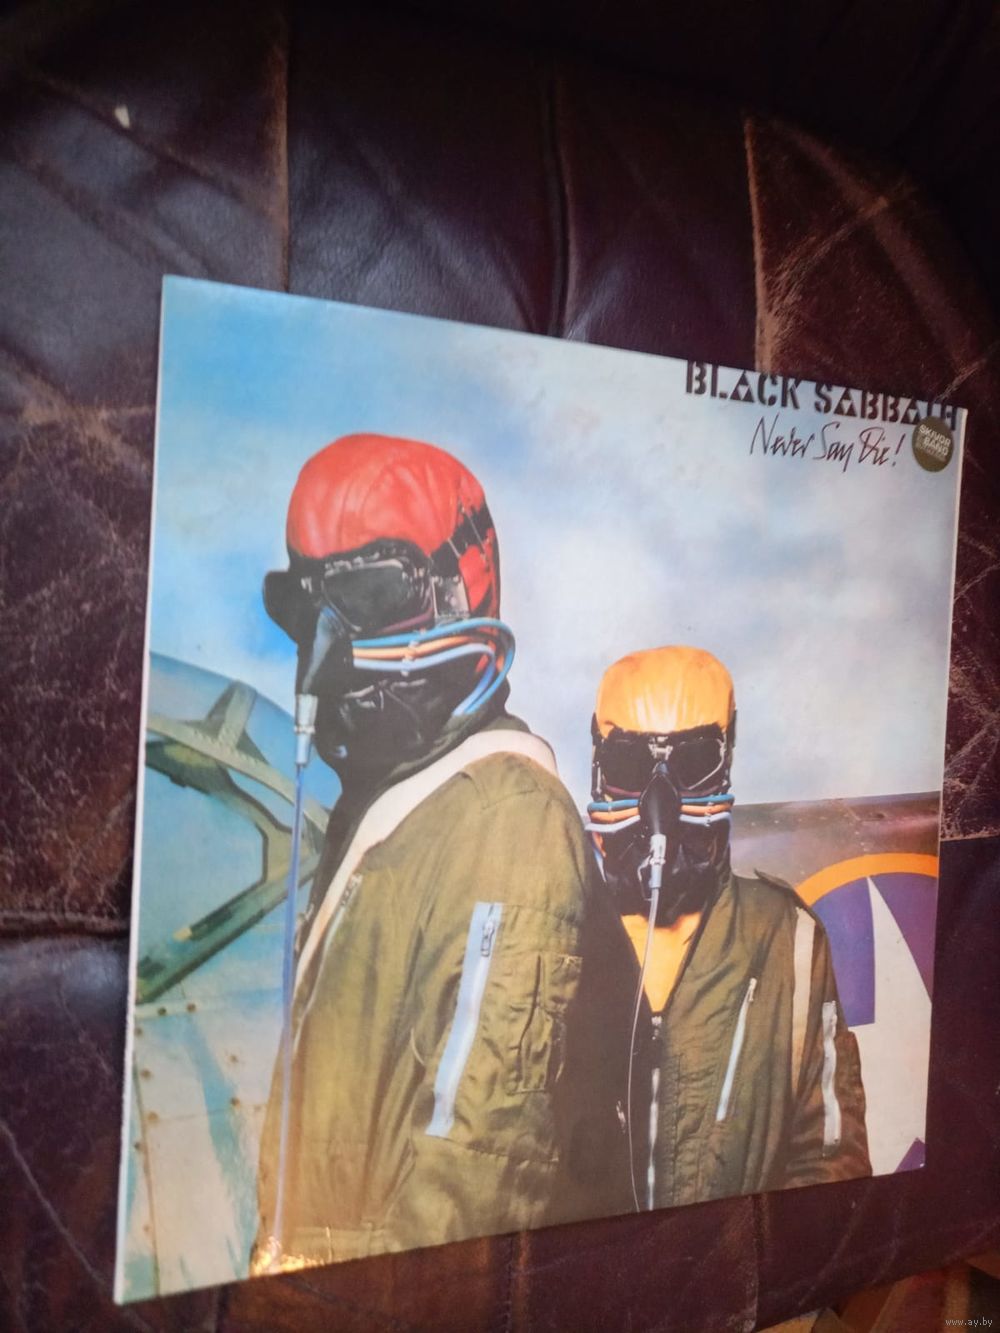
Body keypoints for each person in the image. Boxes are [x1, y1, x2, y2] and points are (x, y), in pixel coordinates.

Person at [252, 432, 626, 1273]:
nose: (325, 650)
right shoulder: (389, 812)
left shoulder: (509, 821)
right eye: (306, 609)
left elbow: (475, 1179)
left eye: (371, 594)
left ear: (463, 588)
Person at [585, 645, 871, 1210]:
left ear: (727, 760)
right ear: (599, 766)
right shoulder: (558, 933)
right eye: (629, 763)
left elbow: (831, 1161)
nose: (660, 800)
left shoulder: (789, 940)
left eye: (693, 762)